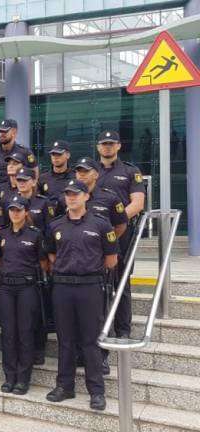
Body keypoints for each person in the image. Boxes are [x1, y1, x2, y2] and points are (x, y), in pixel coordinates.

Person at [45, 179, 118, 411]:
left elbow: (111, 260)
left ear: (86, 196)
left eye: (76, 194)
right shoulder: (55, 226)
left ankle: (96, 391)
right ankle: (64, 386)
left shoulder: (101, 224)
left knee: (90, 340)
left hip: (90, 287)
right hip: (63, 287)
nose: (71, 197)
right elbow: (51, 255)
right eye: (68, 194)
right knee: (65, 339)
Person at [0, 195, 48, 395]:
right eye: (12, 210)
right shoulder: (2, 234)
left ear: (26, 212)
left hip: (27, 287)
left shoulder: (35, 234)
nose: (15, 213)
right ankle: (9, 377)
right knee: (8, 333)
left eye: (19, 210)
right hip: (6, 288)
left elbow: (43, 263)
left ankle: (23, 379)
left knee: (25, 332)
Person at [95, 130, 146, 339]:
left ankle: (123, 330)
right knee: (96, 281)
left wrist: (115, 221)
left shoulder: (130, 171)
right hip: (94, 233)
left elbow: (138, 203)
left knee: (121, 281)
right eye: (104, 143)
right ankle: (99, 328)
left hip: (121, 233)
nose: (107, 146)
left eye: (111, 143)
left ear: (118, 146)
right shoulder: (90, 171)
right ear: (98, 147)